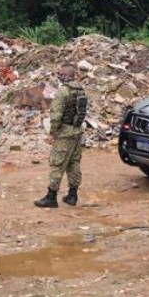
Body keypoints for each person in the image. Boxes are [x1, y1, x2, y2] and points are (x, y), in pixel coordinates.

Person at [34, 63, 87, 208]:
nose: (58, 76)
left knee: (57, 164)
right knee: (74, 163)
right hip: (77, 131)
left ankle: (51, 197)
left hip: (64, 133)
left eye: (60, 73)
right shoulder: (81, 89)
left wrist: (53, 133)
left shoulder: (63, 91)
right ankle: (72, 195)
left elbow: (56, 115)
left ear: (65, 75)